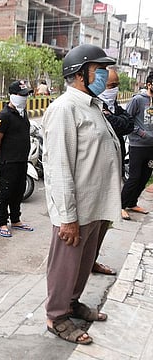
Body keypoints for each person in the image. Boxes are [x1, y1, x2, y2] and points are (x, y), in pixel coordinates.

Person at [42, 44, 121, 345]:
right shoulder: (65, 108)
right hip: (76, 210)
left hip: (96, 206)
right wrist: (67, 218)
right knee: (65, 265)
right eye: (99, 69)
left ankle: (72, 303)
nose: (105, 74)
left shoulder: (92, 105)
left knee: (85, 262)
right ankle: (56, 315)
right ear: (79, 74)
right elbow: (59, 167)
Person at [92, 67, 135, 275]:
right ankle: (84, 265)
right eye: (111, 86)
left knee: (105, 222)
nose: (114, 90)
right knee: (92, 224)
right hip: (96, 173)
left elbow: (128, 125)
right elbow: (118, 124)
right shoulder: (92, 107)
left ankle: (93, 261)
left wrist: (112, 116)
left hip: (113, 171)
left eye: (116, 86)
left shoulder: (113, 107)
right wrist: (112, 118)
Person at [0, 80, 34, 238]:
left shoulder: (22, 114)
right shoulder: (4, 116)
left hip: (22, 159)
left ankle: (16, 220)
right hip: (8, 161)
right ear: (12, 96)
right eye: (21, 95)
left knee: (19, 191)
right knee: (6, 193)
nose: (24, 98)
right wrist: (3, 154)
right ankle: (2, 222)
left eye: (26, 95)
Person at [120, 73, 153, 220]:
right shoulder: (138, 100)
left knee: (145, 177)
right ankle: (121, 206)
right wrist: (142, 134)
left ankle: (132, 203)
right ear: (149, 84)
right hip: (137, 146)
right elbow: (127, 121)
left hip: (151, 148)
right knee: (134, 177)